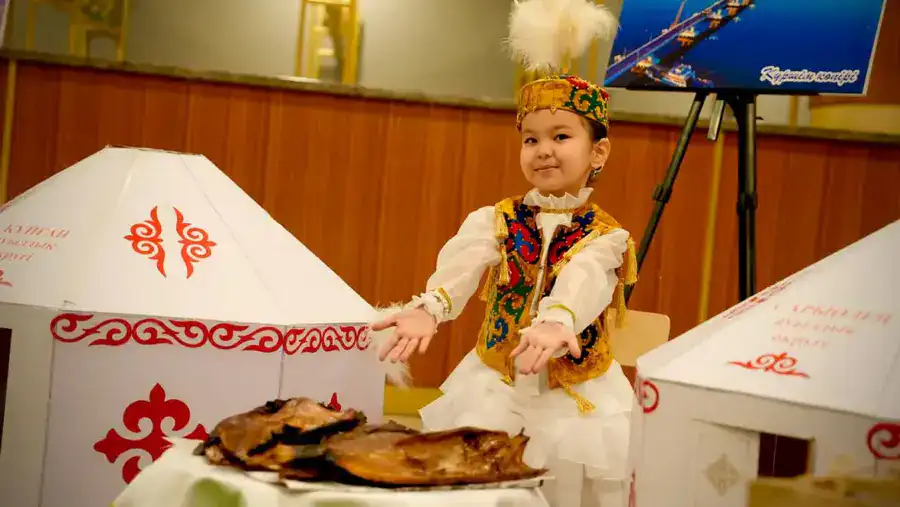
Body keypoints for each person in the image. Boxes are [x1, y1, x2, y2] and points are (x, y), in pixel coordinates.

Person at [370, 1, 636, 506]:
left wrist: (560, 321)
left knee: (565, 484)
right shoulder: (496, 219)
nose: (543, 150)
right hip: (497, 381)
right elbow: (465, 266)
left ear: (598, 151)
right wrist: (432, 308)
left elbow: (585, 276)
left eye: (561, 136)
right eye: (531, 138)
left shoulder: (606, 236)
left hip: (574, 392)